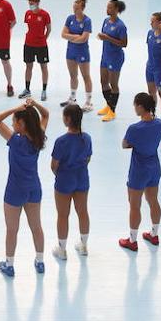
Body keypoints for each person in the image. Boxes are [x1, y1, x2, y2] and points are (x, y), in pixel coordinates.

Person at [0, 98, 49, 278]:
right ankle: (40, 261)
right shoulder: (38, 137)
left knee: (12, 229)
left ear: (21, 124)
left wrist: (17, 108)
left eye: (14, 120)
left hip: (15, 190)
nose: (11, 123)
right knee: (36, 226)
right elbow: (46, 114)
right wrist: (35, 105)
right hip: (34, 188)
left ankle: (9, 264)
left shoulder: (15, 140)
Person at [120, 92, 161, 250]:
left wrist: (135, 144)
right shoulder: (159, 124)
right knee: (153, 201)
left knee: (134, 205)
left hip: (138, 170)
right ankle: (154, 234)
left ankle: (132, 240)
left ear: (140, 106)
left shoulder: (134, 129)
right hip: (154, 167)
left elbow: (125, 145)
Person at [50, 104, 92, 259]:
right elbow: (88, 158)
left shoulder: (61, 141)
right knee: (83, 212)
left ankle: (61, 250)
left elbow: (54, 165)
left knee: (62, 215)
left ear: (67, 119)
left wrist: (60, 175)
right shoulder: (86, 138)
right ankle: (84, 246)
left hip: (64, 180)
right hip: (81, 178)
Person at [96, 0, 129, 123]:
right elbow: (104, 36)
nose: (107, 9)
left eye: (110, 7)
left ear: (116, 9)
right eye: (107, 7)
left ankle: (112, 111)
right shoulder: (105, 21)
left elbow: (124, 43)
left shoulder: (121, 26)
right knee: (103, 81)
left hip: (115, 57)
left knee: (113, 84)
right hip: (105, 55)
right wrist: (102, 38)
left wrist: (107, 38)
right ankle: (108, 105)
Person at [61, 0, 93, 110]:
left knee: (86, 76)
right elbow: (63, 34)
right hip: (71, 52)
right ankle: (72, 98)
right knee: (73, 76)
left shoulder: (87, 21)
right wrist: (75, 36)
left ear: (82, 8)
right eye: (73, 8)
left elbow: (84, 38)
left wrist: (71, 38)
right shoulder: (70, 18)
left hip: (82, 52)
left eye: (76, 8)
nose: (74, 10)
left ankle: (89, 102)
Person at [21, 0, 52, 101]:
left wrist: (44, 38)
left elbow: (49, 28)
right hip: (28, 44)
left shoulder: (45, 14)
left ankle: (44, 90)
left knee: (43, 67)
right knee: (28, 66)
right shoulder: (27, 13)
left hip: (41, 46)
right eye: (29, 3)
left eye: (32, 2)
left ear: (37, 3)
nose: (30, 4)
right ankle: (27, 89)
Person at [144, 12, 161, 120]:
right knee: (151, 92)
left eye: (153, 21)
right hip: (150, 68)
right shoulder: (150, 33)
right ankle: (152, 115)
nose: (150, 23)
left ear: (160, 22)